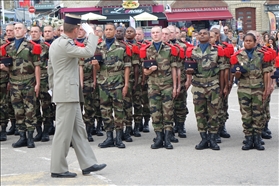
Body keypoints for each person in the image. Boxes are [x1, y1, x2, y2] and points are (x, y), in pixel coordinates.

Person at [48, 14, 106, 178]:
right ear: (74, 29)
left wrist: (53, 88)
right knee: (63, 133)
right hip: (66, 94)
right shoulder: (65, 44)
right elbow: (88, 51)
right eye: (79, 29)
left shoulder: (57, 43)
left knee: (78, 131)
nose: (79, 31)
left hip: (66, 92)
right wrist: (92, 33)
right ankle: (58, 168)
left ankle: (88, 163)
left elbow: (50, 69)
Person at [0, 23, 41, 148]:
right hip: (14, 83)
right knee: (18, 111)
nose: (17, 30)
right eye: (15, 29)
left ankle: (30, 138)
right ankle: (22, 137)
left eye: (19, 29)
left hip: (28, 82)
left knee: (30, 110)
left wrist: (38, 84)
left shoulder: (32, 46)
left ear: (25, 31)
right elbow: (10, 68)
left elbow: (37, 66)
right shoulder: (8, 48)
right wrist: (4, 68)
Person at [231, 33, 272, 150]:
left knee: (258, 114)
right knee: (246, 115)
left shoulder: (261, 55)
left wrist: (267, 88)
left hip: (258, 88)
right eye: (246, 41)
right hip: (243, 89)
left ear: (255, 42)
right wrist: (237, 75)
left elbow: (266, 72)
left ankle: (257, 139)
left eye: (250, 41)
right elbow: (235, 74)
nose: (248, 42)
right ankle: (249, 138)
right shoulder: (238, 55)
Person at [186, 29, 226, 150]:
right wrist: (188, 73)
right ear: (197, 36)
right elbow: (187, 67)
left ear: (210, 37)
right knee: (200, 114)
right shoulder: (192, 51)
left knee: (214, 113)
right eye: (200, 33)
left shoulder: (217, 51)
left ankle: (213, 139)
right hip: (198, 86)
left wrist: (223, 87)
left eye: (205, 34)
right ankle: (204, 138)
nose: (202, 35)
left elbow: (223, 70)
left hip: (213, 85)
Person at [142, 26, 178, 149]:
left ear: (162, 34)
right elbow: (144, 71)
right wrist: (149, 71)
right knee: (155, 111)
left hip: (167, 84)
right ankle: (159, 137)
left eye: (157, 32)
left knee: (168, 111)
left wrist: (175, 87)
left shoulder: (169, 49)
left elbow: (174, 68)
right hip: (153, 84)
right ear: (150, 35)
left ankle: (167, 138)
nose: (155, 34)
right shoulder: (146, 49)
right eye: (153, 33)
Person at [97, 23, 131, 149]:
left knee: (119, 110)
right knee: (105, 110)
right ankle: (109, 137)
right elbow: (97, 67)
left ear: (115, 31)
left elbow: (127, 67)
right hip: (103, 83)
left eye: (111, 29)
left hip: (117, 83)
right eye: (107, 29)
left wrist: (126, 84)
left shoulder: (122, 47)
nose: (109, 31)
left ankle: (118, 138)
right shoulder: (99, 46)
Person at [135, 27, 150, 132]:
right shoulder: (130, 46)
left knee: (146, 102)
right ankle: (137, 122)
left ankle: (146, 122)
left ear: (143, 35)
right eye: (136, 34)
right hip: (134, 79)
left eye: (139, 34)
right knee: (136, 102)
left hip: (145, 78)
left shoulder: (148, 47)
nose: (137, 36)